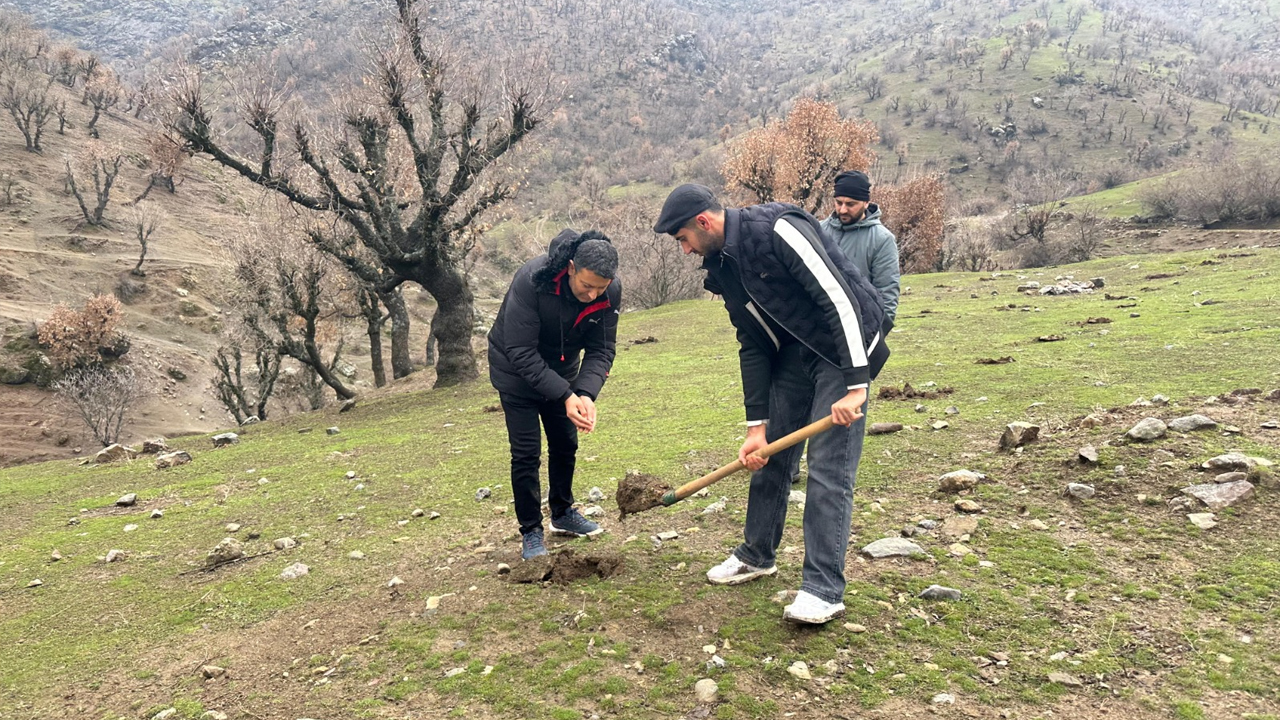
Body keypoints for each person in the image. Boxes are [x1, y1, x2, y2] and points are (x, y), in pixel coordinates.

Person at [653, 184, 889, 624]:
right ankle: (756, 554)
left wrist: (856, 383)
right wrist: (755, 428)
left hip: (844, 349)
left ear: (704, 222)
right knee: (768, 456)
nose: (684, 250)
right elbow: (752, 343)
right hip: (794, 353)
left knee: (828, 467)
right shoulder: (722, 267)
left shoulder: (779, 228)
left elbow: (838, 299)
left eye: (682, 238)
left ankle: (823, 589)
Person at [488, 229, 622, 560]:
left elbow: (601, 349)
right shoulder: (533, 280)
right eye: (586, 286)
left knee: (565, 443)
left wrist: (585, 393)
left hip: (562, 371)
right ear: (572, 268)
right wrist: (566, 396)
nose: (593, 295)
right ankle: (531, 531)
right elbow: (519, 350)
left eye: (600, 289)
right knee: (526, 453)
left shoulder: (609, 292)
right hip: (514, 372)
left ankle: (562, 514)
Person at [790, 170, 901, 483]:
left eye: (850, 203)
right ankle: (790, 465)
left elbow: (887, 301)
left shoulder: (882, 241)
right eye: (838, 202)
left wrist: (865, 347)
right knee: (798, 402)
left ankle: (830, 473)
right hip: (811, 337)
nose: (842, 209)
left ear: (866, 201)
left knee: (837, 411)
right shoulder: (819, 231)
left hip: (853, 344)